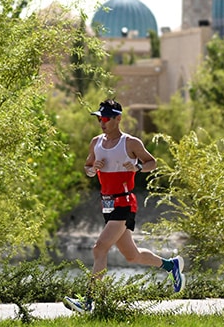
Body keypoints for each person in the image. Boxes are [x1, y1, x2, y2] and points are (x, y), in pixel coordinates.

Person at [63, 99, 185, 314]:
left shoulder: (130, 143)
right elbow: (88, 167)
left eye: (106, 118)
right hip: (107, 203)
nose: (102, 123)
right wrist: (92, 169)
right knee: (132, 255)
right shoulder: (96, 142)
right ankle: (171, 265)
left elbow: (152, 162)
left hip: (125, 202)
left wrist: (137, 167)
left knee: (99, 248)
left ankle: (88, 301)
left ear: (118, 118)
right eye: (99, 119)